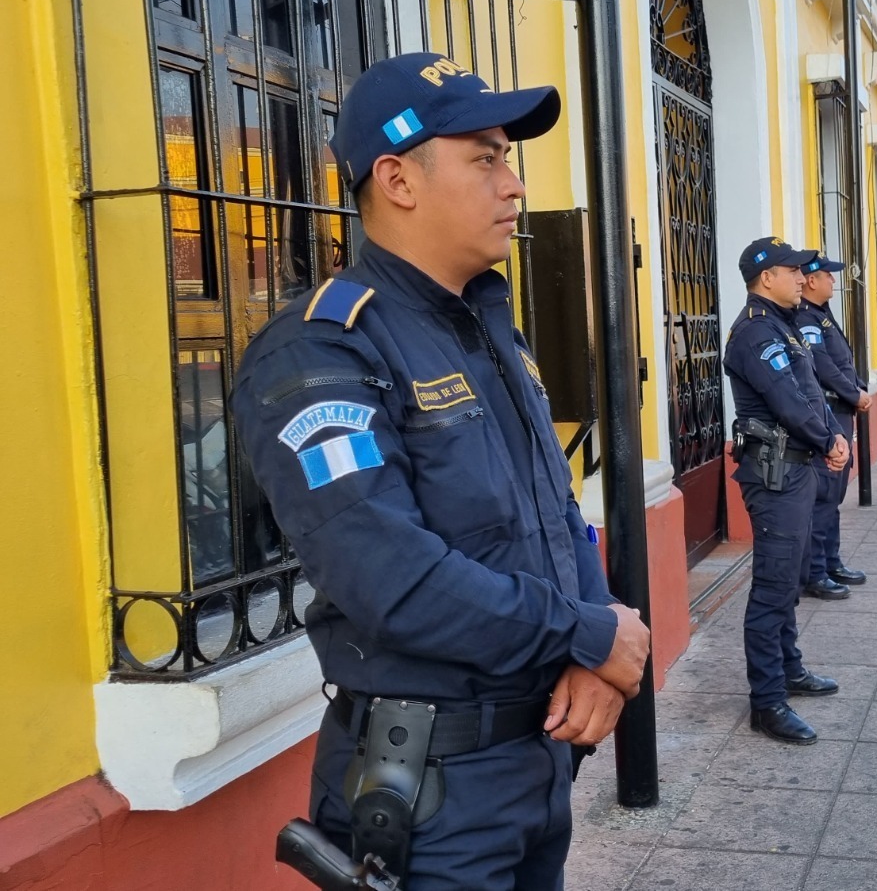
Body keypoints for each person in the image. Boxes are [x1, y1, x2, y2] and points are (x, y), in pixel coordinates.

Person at [229, 53, 650, 890]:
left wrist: (593, 641)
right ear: (398, 179)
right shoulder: (322, 351)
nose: (515, 184)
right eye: (485, 157)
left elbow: (556, 517)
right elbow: (395, 580)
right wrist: (589, 632)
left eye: (508, 157)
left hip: (533, 768)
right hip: (429, 797)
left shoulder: (490, 327)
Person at [723, 236, 850, 744]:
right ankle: (767, 700)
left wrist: (830, 438)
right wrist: (828, 438)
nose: (803, 278)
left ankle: (790, 669)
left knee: (792, 577)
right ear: (765, 277)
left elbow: (809, 392)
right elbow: (787, 400)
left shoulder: (783, 325)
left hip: (798, 468)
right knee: (774, 587)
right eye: (792, 270)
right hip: (776, 474)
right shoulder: (756, 333)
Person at [795, 253, 870, 598]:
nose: (834, 282)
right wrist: (853, 393)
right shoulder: (806, 318)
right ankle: (816, 571)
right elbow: (822, 365)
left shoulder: (820, 315)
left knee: (835, 494)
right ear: (812, 280)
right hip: (830, 410)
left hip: (840, 411)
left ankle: (831, 561)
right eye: (829, 276)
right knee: (825, 494)